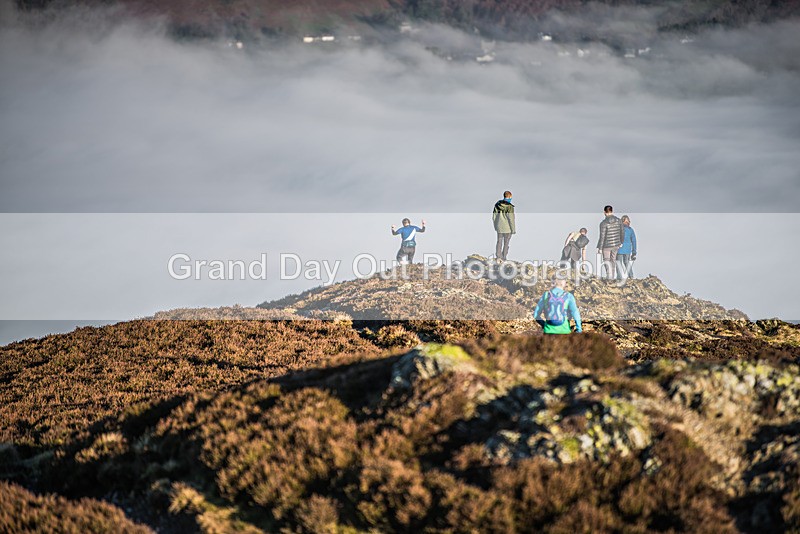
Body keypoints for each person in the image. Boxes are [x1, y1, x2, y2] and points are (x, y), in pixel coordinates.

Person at [596, 205, 625, 279]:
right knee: (613, 260)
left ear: (604, 212)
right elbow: (622, 232)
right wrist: (621, 242)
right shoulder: (619, 221)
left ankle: (609, 275)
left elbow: (602, 236)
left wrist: (600, 247)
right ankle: (612, 276)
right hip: (616, 244)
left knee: (606, 260)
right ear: (612, 211)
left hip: (606, 245)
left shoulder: (603, 223)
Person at [492, 191, 516, 262]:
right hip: (508, 229)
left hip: (499, 227)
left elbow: (494, 217)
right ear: (510, 197)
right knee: (506, 243)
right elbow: (511, 219)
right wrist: (513, 229)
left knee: (499, 241)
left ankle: (498, 256)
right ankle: (504, 257)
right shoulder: (510, 207)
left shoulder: (497, 204)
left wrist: (496, 226)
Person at [616, 215, 637, 280]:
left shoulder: (618, 229)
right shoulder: (630, 230)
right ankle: (631, 276)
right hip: (627, 249)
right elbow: (634, 241)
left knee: (619, 262)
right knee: (626, 262)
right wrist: (634, 251)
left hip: (619, 249)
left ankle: (619, 277)